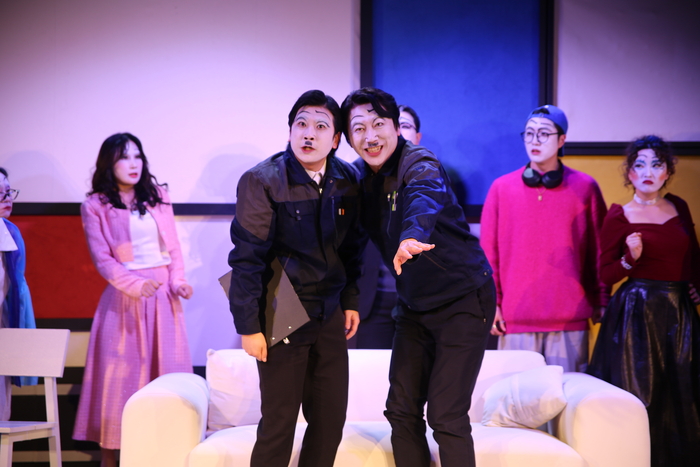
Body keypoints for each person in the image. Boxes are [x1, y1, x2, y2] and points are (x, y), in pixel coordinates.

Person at [341, 87, 495, 467]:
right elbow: (349, 246)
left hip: (463, 299)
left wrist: (412, 235)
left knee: (446, 415)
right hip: (412, 307)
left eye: (378, 124)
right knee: (401, 410)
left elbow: (423, 195)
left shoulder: (418, 161)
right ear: (348, 139)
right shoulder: (358, 179)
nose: (370, 136)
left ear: (396, 127)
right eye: (358, 128)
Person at [227, 90, 362, 467]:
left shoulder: (347, 179)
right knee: (279, 423)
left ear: (335, 139)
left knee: (330, 420)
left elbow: (352, 248)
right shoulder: (262, 180)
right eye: (301, 124)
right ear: (290, 131)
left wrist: (350, 300)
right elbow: (246, 259)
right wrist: (249, 327)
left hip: (329, 311)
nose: (309, 133)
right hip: (281, 308)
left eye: (320, 126)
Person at [73, 133, 193, 467]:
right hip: (125, 297)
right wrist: (135, 284)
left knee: (167, 372)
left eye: (137, 156)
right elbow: (103, 259)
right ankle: (110, 455)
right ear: (109, 163)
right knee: (119, 376)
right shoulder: (95, 205)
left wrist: (178, 281)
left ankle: (166, 453)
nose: (133, 164)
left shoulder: (158, 196)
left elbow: (173, 248)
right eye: (124, 157)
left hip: (163, 296)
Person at [587, 135, 700, 466]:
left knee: (683, 391)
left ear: (667, 173)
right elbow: (606, 275)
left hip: (679, 311)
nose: (648, 172)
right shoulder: (619, 215)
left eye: (656, 164)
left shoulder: (678, 206)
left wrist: (696, 285)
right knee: (640, 393)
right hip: (637, 312)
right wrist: (630, 258)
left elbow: (692, 255)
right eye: (640, 165)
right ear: (630, 173)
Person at [480, 104, 609, 372]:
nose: (534, 141)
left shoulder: (585, 187)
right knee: (518, 395)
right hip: (516, 319)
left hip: (570, 319)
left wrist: (602, 298)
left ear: (562, 140)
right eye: (529, 133)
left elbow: (600, 249)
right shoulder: (501, 188)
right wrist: (491, 303)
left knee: (568, 394)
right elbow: (487, 255)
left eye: (544, 133)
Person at [0, 168, 37, 421]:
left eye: (8, 191)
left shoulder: (10, 233)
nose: (7, 198)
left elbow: (17, 292)